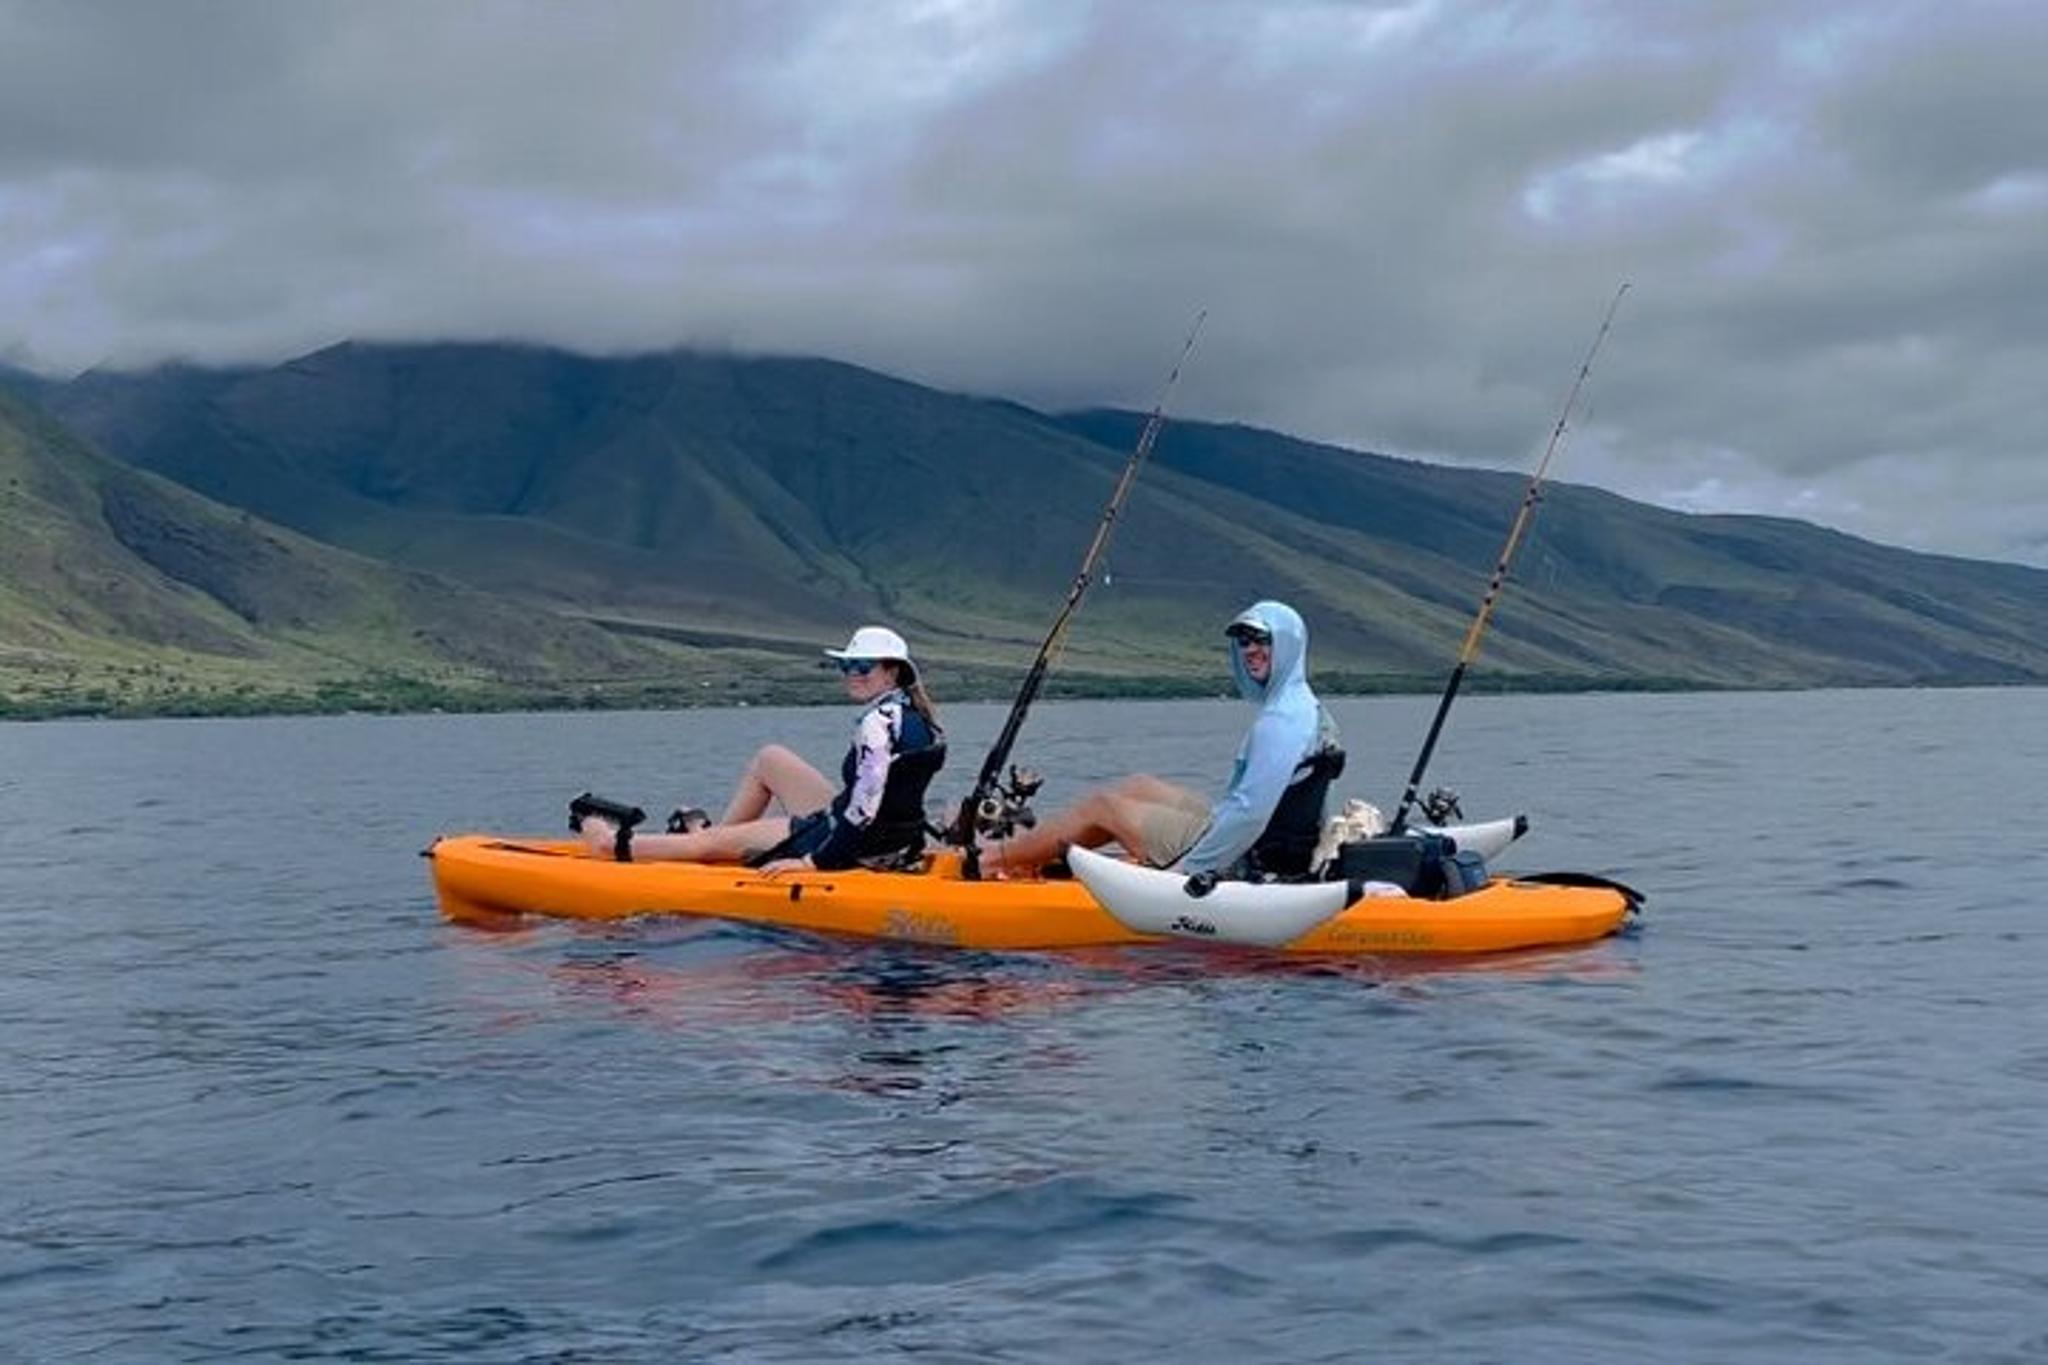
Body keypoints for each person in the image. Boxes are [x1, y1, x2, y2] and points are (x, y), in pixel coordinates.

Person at [980, 600, 1342, 880]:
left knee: (1106, 807)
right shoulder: (1306, 707)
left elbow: (1251, 814)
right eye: (1244, 641)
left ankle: (992, 861)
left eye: (1263, 639)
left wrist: (1188, 870)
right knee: (1139, 786)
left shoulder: (1279, 722)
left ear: (1288, 645)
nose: (1250, 650)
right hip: (1258, 839)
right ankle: (1033, 856)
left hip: (1246, 856)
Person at [579, 626, 946, 871]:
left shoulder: (876, 726)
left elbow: (863, 812)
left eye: (862, 666)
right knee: (771, 758)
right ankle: (713, 838)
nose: (852, 673)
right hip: (886, 837)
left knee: (701, 845)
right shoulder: (922, 719)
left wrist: (812, 863)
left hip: (852, 843)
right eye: (846, 665)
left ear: (893, 672)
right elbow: (891, 801)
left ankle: (606, 841)